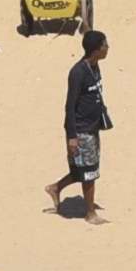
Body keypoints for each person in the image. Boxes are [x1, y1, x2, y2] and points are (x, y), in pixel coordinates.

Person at [50, 25, 112, 219]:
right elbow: (69, 106)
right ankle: (90, 213)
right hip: (82, 130)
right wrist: (72, 137)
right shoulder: (78, 72)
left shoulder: (94, 66)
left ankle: (55, 188)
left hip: (93, 128)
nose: (108, 47)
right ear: (96, 49)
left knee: (82, 169)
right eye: (105, 45)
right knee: (90, 173)